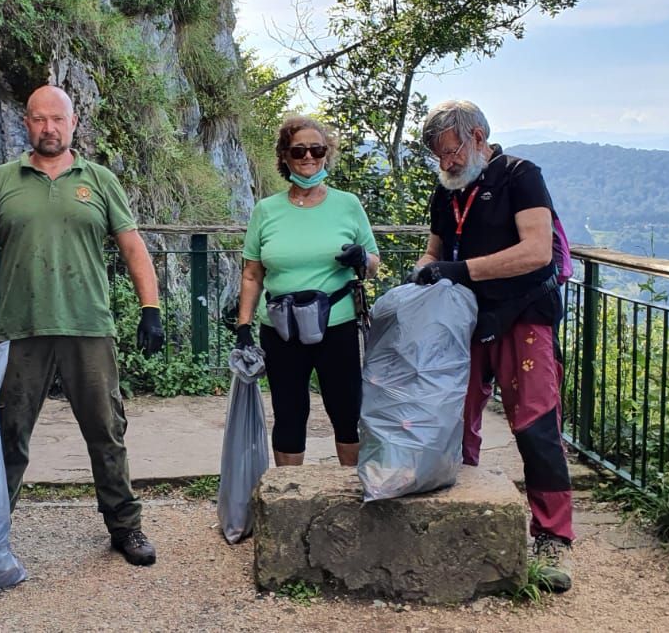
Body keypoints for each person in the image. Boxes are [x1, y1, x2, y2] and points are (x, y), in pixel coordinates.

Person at [0, 84, 166, 566]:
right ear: (26, 124)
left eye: (57, 119)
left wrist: (151, 308)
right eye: (39, 119)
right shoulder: (1, 181)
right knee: (8, 433)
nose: (48, 128)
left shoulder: (99, 180)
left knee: (106, 430)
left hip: (87, 326)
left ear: (73, 123)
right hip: (21, 328)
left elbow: (133, 247)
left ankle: (125, 526)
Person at [412, 98, 574, 593]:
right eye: (438, 156)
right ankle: (462, 516)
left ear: (478, 137)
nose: (446, 163)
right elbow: (435, 250)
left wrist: (459, 271)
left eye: (451, 151)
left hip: (524, 315)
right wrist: (423, 273)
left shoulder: (520, 176)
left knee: (535, 424)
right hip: (464, 318)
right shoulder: (447, 190)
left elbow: (537, 251)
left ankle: (553, 536)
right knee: (454, 419)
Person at [235, 115, 380, 468]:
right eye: (299, 150)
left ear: (327, 153)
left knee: (347, 413)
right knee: (288, 415)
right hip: (281, 329)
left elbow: (374, 262)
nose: (309, 157)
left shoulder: (347, 204)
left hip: (336, 325)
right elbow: (252, 274)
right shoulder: (266, 211)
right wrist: (243, 327)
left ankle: (351, 491)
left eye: (317, 149)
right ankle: (289, 493)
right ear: (284, 156)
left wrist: (361, 257)